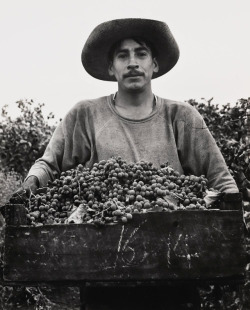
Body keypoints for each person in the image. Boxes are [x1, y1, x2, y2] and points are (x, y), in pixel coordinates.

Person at [14, 18, 238, 309]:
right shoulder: (86, 114)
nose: (132, 62)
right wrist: (29, 187)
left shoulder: (182, 117)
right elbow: (48, 165)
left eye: (141, 53)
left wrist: (231, 229)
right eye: (122, 55)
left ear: (154, 64)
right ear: (111, 68)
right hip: (104, 266)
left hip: (174, 267)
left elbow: (221, 181)